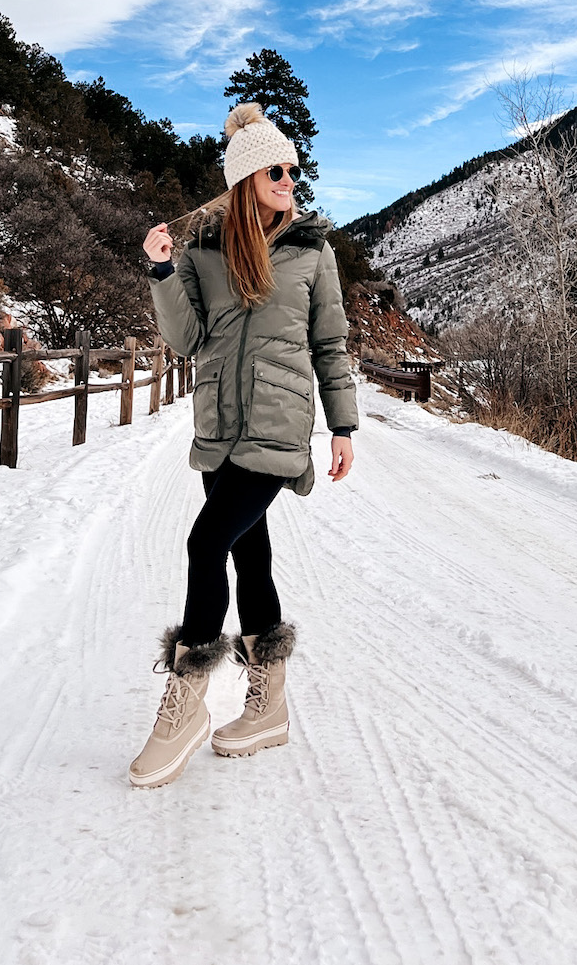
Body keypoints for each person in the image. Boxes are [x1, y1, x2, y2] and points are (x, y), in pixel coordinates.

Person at [128, 101, 358, 790]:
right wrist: (163, 274)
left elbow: (330, 342)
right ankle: (269, 705)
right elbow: (187, 340)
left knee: (206, 543)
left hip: (279, 425)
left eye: (293, 169)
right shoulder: (204, 248)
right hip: (218, 426)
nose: (292, 179)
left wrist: (343, 425)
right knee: (247, 554)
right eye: (277, 170)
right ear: (247, 177)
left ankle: (187, 701)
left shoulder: (313, 250)